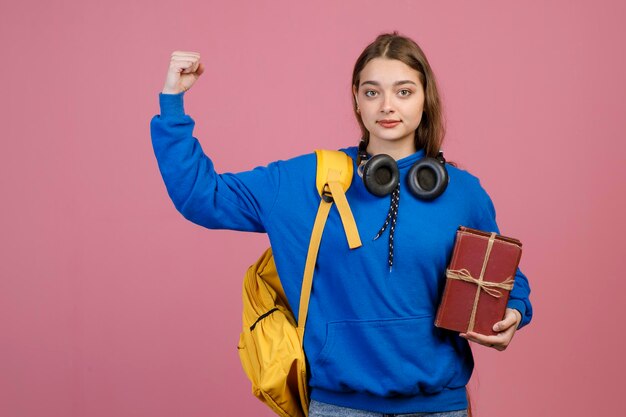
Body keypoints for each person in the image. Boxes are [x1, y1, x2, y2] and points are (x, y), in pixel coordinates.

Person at [150, 32, 532, 417]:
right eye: (372, 92)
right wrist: (172, 102)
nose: (387, 106)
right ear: (356, 98)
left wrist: (514, 312)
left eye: (403, 92)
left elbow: (507, 280)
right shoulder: (308, 180)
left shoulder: (463, 193)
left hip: (440, 407)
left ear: (424, 98)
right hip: (340, 406)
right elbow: (202, 196)